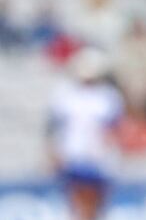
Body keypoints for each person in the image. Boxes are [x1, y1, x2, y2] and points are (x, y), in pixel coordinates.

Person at [46, 47, 123, 220]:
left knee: (98, 203)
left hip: (98, 156)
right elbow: (53, 126)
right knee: (76, 202)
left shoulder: (108, 96)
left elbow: (113, 129)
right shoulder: (65, 94)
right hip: (73, 154)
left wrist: (110, 152)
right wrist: (53, 151)